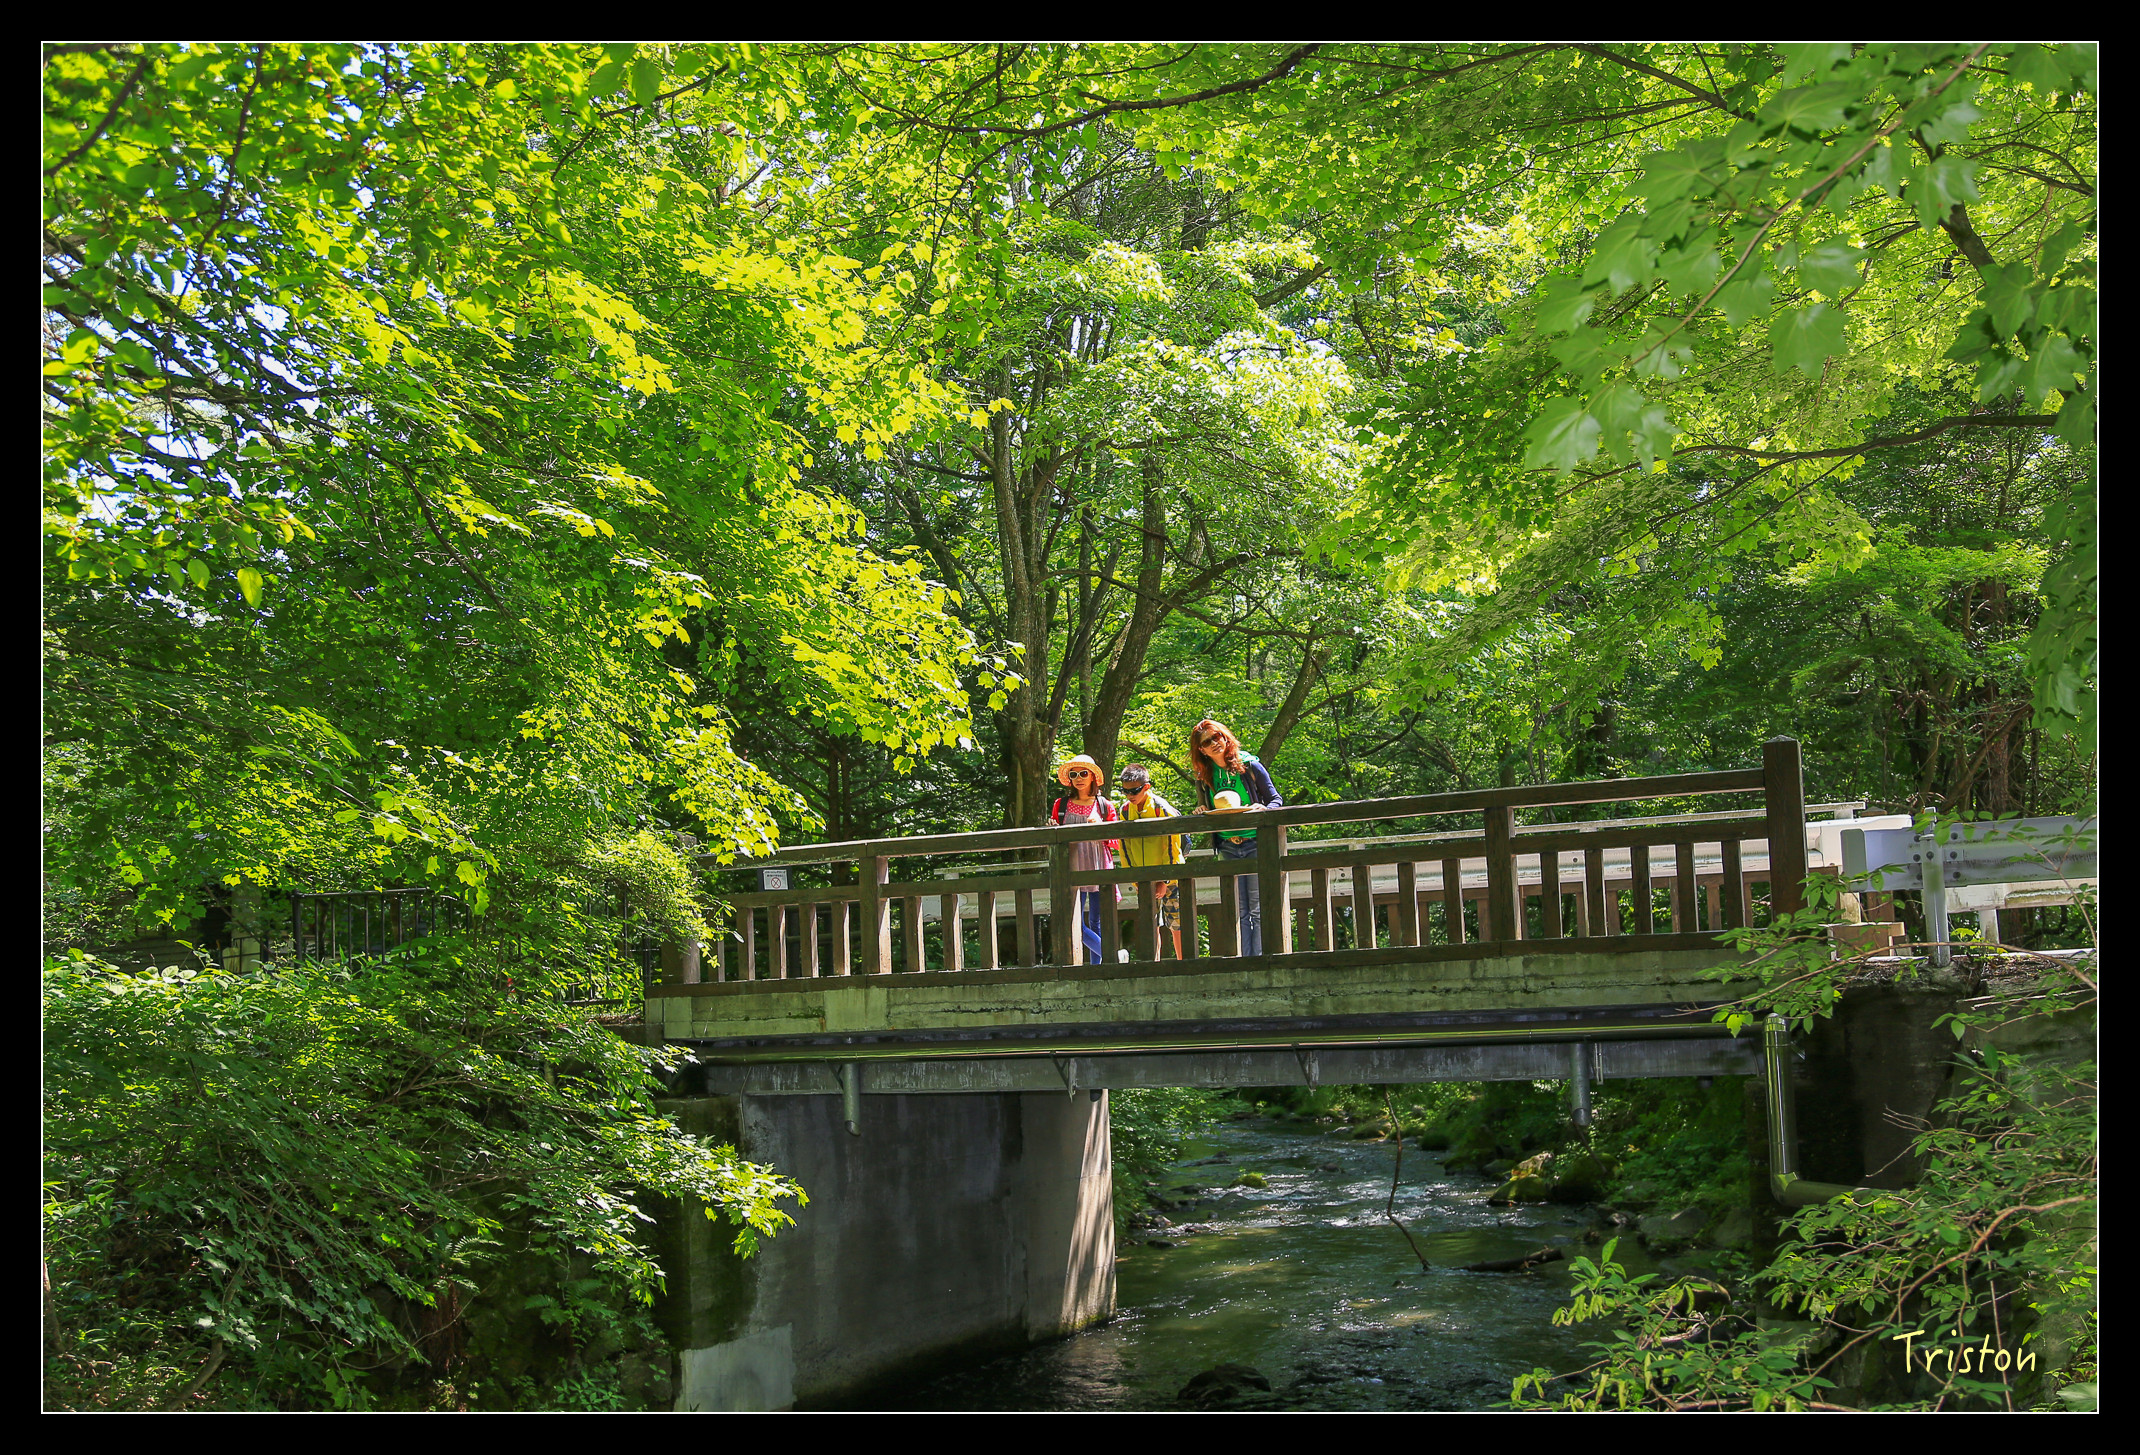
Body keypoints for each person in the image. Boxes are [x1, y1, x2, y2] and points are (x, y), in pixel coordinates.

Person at [1189, 718, 1283, 956]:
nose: (1214, 744)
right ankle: (1243, 961)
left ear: (1225, 737)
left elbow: (1276, 800)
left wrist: (1264, 810)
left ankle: (1260, 960)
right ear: (1201, 749)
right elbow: (1207, 808)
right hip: (1227, 847)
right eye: (1207, 742)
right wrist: (1200, 810)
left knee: (1258, 908)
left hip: (1255, 843)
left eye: (1217, 737)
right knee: (1237, 909)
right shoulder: (1205, 776)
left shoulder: (1250, 766)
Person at [1050, 754, 1122, 962]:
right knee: (1073, 923)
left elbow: (1116, 842)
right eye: (1074, 774)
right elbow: (1056, 835)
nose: (1079, 778)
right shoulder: (1061, 804)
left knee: (1097, 922)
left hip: (1099, 866)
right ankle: (1113, 958)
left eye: (1083, 773)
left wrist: (1100, 828)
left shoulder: (1104, 805)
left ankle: (1096, 969)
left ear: (1092, 777)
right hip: (1071, 867)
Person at [1116, 763, 1188, 959]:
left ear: (1146, 787)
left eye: (1135, 790)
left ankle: (1185, 964)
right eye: (1125, 790)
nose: (1130, 795)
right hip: (1143, 877)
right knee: (1150, 922)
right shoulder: (1124, 811)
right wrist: (1135, 878)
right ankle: (1154, 966)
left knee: (1177, 923)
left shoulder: (1161, 809)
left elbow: (1172, 846)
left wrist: (1165, 880)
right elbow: (1125, 848)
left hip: (1170, 877)